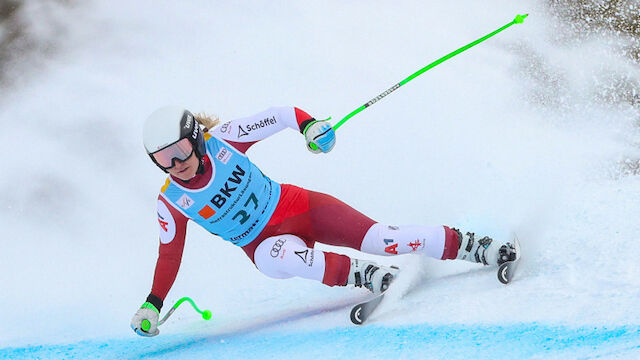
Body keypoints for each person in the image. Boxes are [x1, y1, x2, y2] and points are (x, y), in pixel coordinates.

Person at [130, 106, 517, 336]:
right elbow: (169, 256)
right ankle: (366, 276)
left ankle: (477, 246)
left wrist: (310, 127)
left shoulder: (225, 140)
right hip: (264, 246)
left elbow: (280, 115)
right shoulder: (173, 201)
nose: (176, 165)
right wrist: (152, 303)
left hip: (302, 207)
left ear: (196, 138)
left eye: (180, 151)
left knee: (382, 238)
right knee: (278, 256)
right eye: (164, 160)